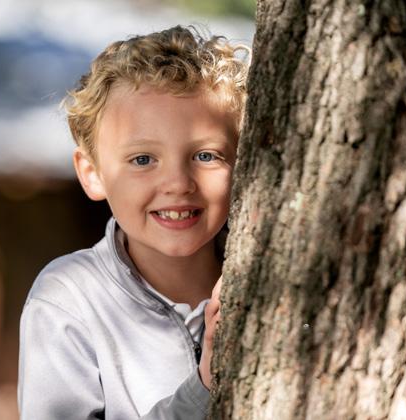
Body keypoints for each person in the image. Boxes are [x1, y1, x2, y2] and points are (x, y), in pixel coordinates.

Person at [18, 25, 248, 419]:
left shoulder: (274, 279)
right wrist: (205, 387)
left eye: (206, 155)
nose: (178, 183)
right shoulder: (68, 301)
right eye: (143, 159)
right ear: (92, 173)